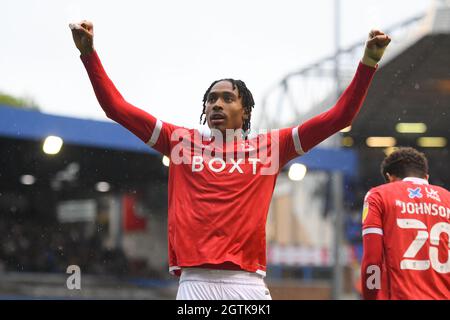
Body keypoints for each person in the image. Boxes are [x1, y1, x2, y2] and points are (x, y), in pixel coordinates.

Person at [70, 20, 390, 300]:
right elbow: (116, 108)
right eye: (211, 100)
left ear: (246, 110)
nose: (217, 105)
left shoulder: (271, 147)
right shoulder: (180, 142)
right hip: (195, 283)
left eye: (227, 98)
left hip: (247, 284)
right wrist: (88, 55)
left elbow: (339, 117)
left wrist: (368, 62)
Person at [361, 147, 450, 300]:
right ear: (426, 177)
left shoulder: (378, 195)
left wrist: (370, 296)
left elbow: (372, 261)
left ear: (390, 178)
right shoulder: (447, 198)